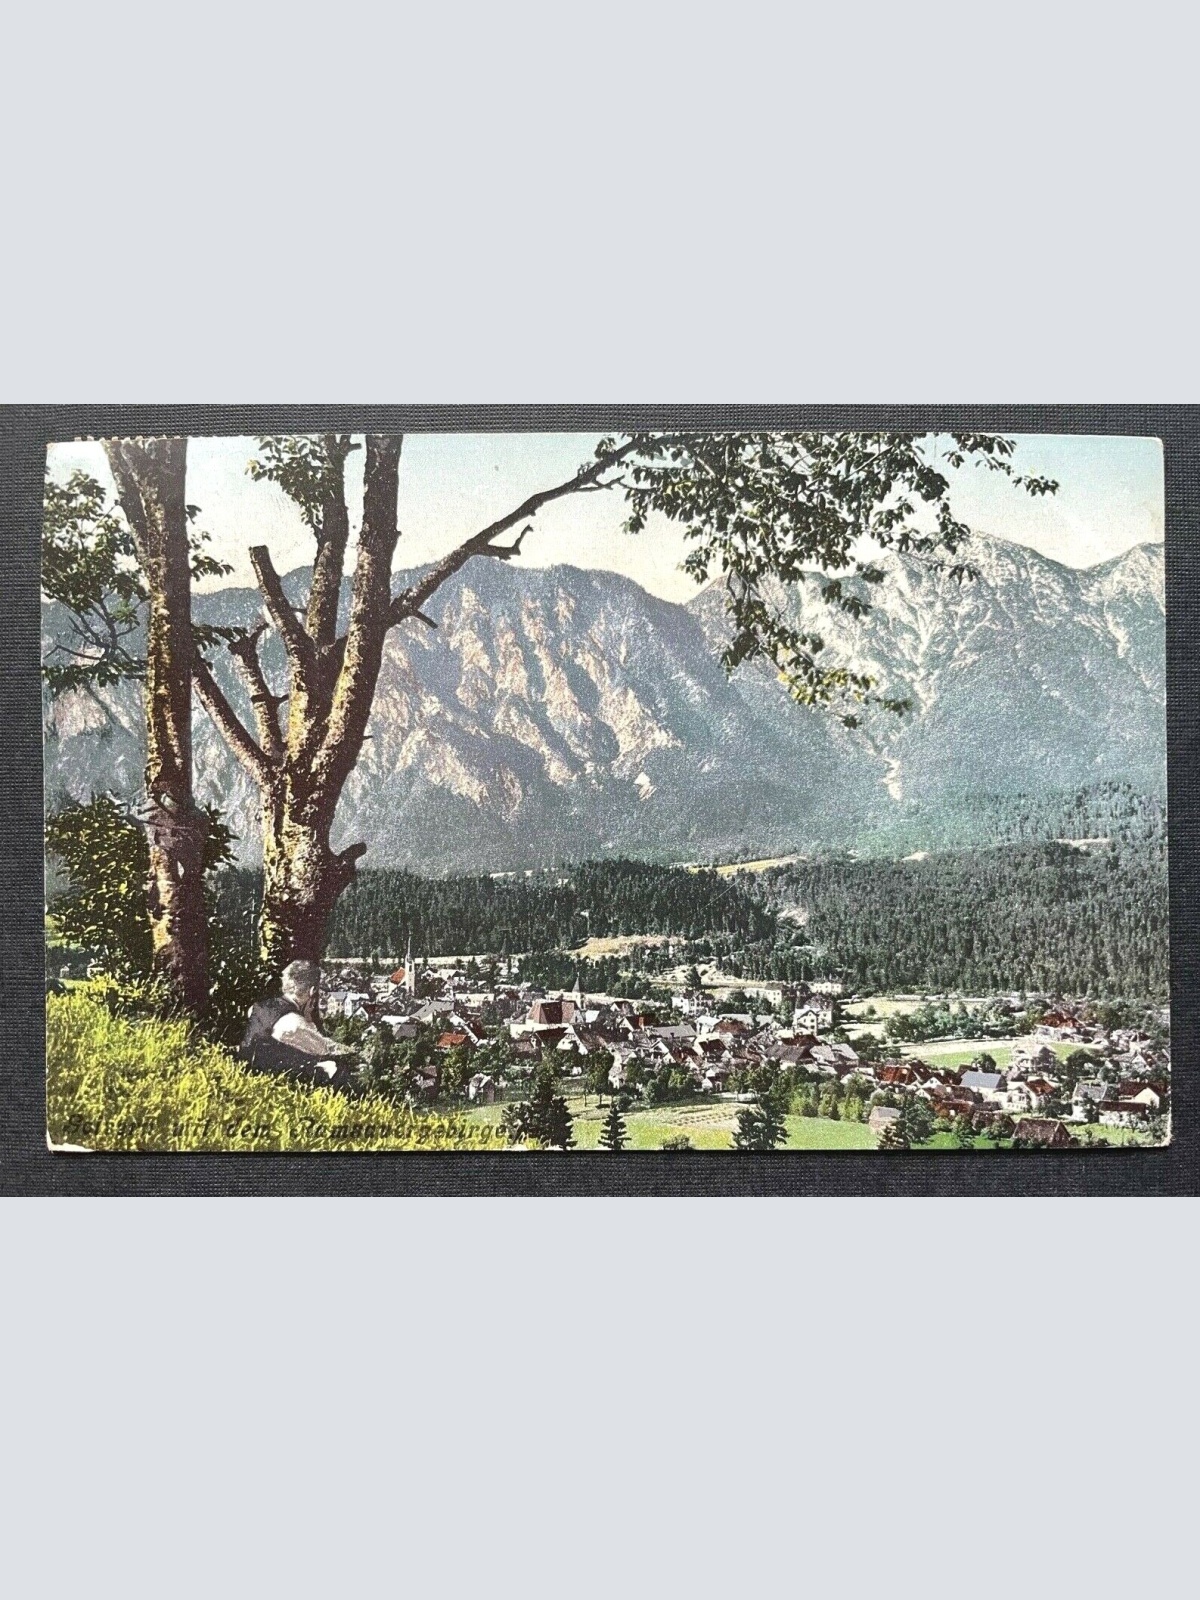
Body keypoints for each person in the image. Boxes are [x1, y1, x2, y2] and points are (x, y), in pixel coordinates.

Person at [241, 960, 356, 1089]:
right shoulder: (294, 1022)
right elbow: (324, 1048)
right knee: (335, 1067)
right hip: (271, 1077)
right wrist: (354, 1052)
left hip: (250, 1066)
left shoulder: (257, 1007)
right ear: (312, 991)